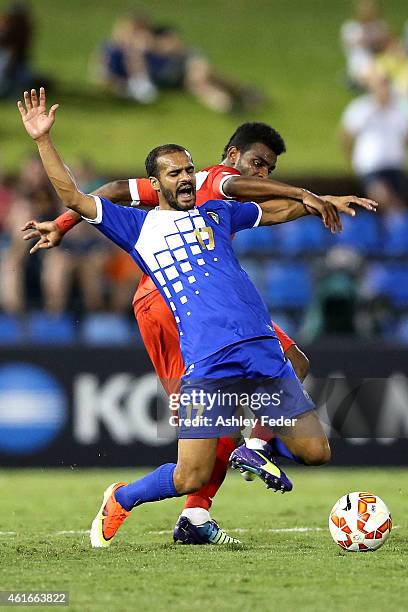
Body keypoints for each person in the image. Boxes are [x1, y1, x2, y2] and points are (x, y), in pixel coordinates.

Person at [22, 121, 376, 544]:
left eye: (189, 170)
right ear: (155, 184)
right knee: (191, 474)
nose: (186, 177)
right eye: (175, 173)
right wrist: (44, 140)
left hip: (260, 350)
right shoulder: (137, 228)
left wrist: (317, 202)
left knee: (316, 453)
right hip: (207, 360)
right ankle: (122, 497)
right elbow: (74, 196)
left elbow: (275, 211)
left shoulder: (218, 211)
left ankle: (258, 448)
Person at [340, 71, 408, 212]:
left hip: (395, 166)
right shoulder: (361, 109)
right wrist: (351, 162)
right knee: (382, 196)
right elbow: (346, 136)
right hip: (370, 167)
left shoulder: (398, 110)